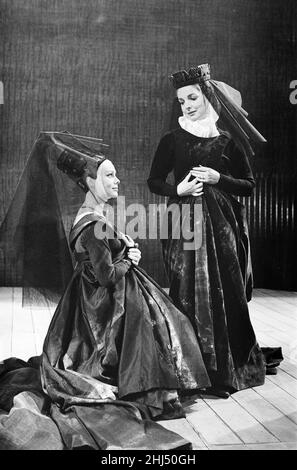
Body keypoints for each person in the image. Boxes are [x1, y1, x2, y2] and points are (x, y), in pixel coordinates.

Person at [0, 133, 210, 450]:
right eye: (109, 175)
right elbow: (108, 276)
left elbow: (101, 250)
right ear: (89, 180)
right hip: (101, 303)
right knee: (168, 322)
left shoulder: (93, 216)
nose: (117, 180)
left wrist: (121, 242)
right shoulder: (92, 223)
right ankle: (137, 382)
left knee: (165, 319)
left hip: (94, 299)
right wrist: (129, 258)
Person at [147, 63, 280, 398]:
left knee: (226, 293)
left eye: (192, 97)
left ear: (207, 96)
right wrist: (178, 191)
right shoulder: (172, 139)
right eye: (181, 101)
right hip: (183, 228)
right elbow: (154, 181)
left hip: (222, 230)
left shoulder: (226, 141)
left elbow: (249, 186)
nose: (187, 105)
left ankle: (225, 373)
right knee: (185, 291)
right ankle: (190, 372)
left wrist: (218, 179)